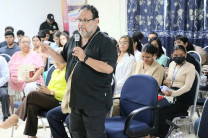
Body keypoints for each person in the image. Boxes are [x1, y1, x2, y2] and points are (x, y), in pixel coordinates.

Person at [41, 5, 117, 138]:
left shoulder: (105, 41)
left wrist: (85, 58)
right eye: (79, 20)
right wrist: (51, 52)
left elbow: (108, 68)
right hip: (75, 98)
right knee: (76, 133)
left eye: (86, 20)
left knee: (95, 135)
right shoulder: (74, 39)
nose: (81, 24)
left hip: (95, 100)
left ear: (96, 21)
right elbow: (63, 60)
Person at [0, 58, 67, 138]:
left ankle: (14, 118)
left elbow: (69, 93)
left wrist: (51, 92)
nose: (56, 62)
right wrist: (44, 90)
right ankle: (32, 136)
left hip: (61, 101)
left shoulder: (68, 72)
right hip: (50, 97)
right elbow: (50, 88)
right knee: (32, 106)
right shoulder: (55, 72)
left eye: (58, 60)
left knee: (32, 94)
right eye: (55, 60)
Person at [155, 45, 195, 137]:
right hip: (170, 92)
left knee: (162, 111)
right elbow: (170, 79)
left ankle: (161, 135)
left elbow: (187, 87)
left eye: (181, 54)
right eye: (175, 55)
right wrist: (165, 82)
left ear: (185, 55)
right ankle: (153, 133)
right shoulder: (172, 64)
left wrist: (174, 93)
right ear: (172, 55)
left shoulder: (190, 67)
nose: (178, 57)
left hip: (182, 96)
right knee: (154, 107)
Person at [9, 36, 44, 113]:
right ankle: (13, 113)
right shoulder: (16, 54)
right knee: (9, 84)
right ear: (19, 44)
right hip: (16, 79)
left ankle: (29, 109)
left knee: (30, 86)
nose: (26, 44)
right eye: (24, 42)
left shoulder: (34, 55)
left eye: (28, 42)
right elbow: (10, 67)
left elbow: (40, 68)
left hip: (31, 80)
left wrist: (32, 79)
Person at [0, 56, 10, 121]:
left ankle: (5, 116)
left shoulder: (1, 59)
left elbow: (6, 76)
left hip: (0, 85)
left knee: (4, 95)